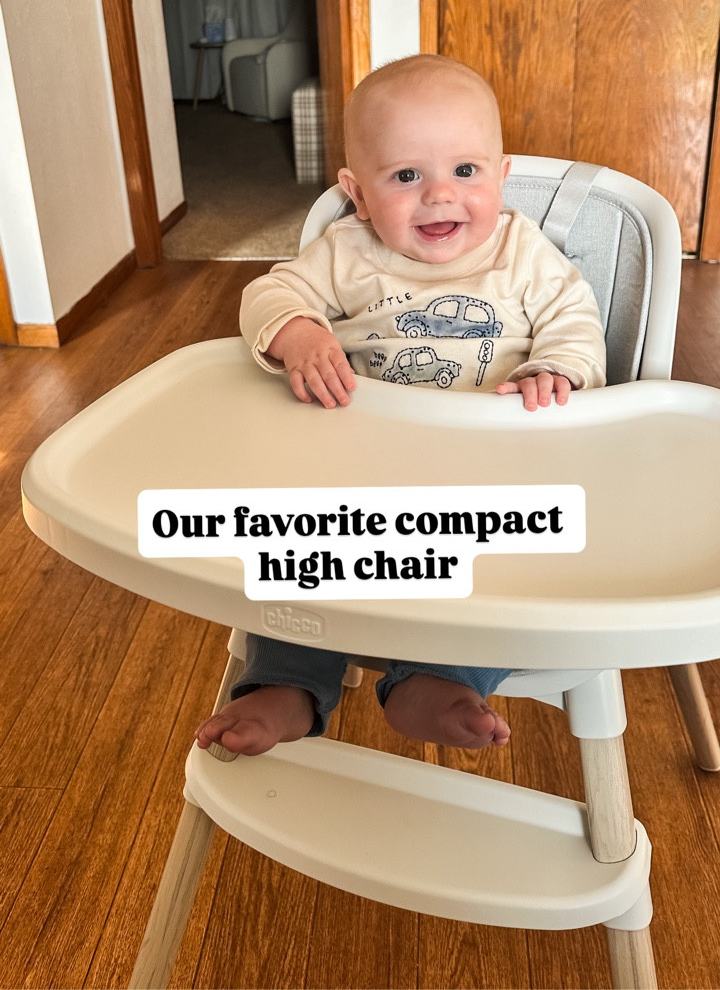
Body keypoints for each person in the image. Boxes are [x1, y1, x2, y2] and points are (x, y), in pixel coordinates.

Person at [196, 54, 606, 757]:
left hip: (492, 471)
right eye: (407, 176)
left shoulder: (523, 251)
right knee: (295, 551)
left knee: (510, 568)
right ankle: (288, 681)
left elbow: (575, 318)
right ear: (357, 193)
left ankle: (442, 679)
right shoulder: (345, 250)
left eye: (466, 172)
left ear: (502, 176)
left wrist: (554, 368)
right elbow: (267, 293)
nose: (440, 196)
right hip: (362, 468)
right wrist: (297, 333)